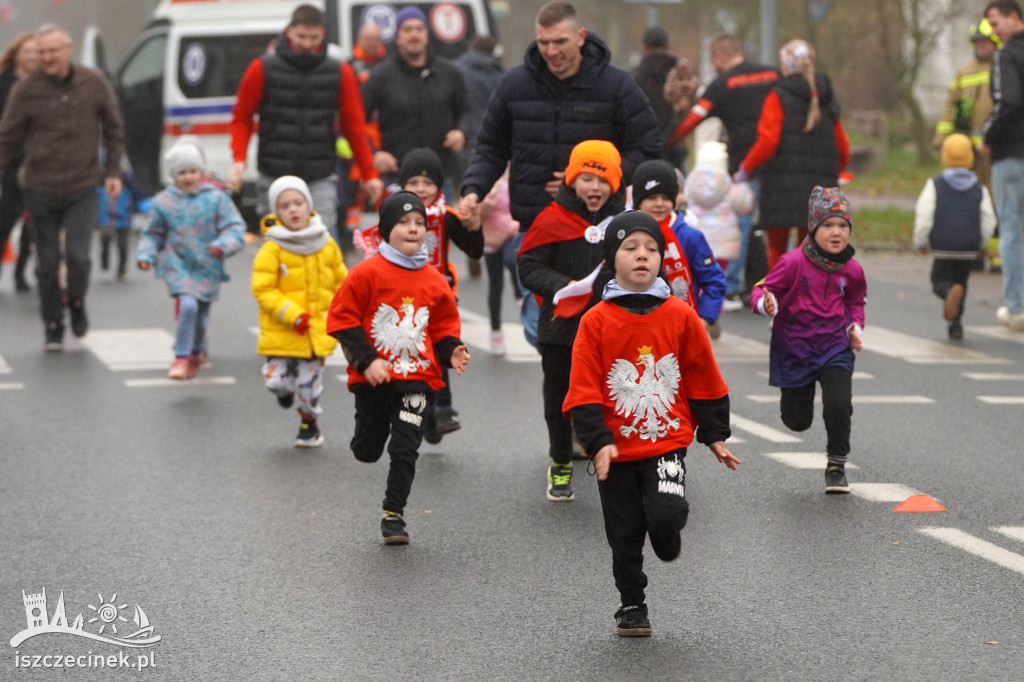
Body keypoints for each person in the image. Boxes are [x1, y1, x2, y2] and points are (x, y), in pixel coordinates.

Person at [563, 210, 739, 637]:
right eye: (630, 248)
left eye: (652, 248)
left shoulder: (680, 315)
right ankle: (632, 604)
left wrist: (714, 433)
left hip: (666, 442)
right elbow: (583, 388)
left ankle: (666, 531)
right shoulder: (595, 321)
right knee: (623, 533)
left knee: (666, 514)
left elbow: (702, 373)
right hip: (616, 450)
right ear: (612, 258)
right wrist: (597, 440)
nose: (642, 255)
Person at [327, 191, 470, 545]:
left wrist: (451, 350)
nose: (413, 229)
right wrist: (367, 360)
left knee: (405, 448)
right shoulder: (366, 274)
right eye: (404, 223)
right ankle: (367, 438)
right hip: (374, 376)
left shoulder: (435, 279)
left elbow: (443, 326)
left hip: (417, 379)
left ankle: (394, 516)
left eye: (419, 223)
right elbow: (341, 319)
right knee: (367, 450)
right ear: (386, 230)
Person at [0, 23, 124, 350]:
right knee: (48, 262)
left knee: (78, 257)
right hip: (40, 185)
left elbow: (113, 127)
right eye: (41, 52)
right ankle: (53, 322)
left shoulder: (93, 82)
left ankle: (77, 302)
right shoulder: (26, 89)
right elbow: (7, 136)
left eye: (52, 51)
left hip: (82, 185)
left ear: (68, 49)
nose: (46, 57)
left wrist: (113, 171)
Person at [517, 140, 626, 502]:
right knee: (559, 401)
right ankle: (560, 462)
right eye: (585, 178)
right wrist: (560, 286)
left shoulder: (623, 224)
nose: (594, 188)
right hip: (560, 329)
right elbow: (529, 266)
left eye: (602, 180)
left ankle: (614, 459)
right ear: (570, 180)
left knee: (612, 398)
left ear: (615, 184)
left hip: (610, 329)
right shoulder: (552, 218)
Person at [353, 147, 482, 442]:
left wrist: (474, 226)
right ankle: (417, 406)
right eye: (414, 183)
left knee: (441, 346)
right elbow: (377, 245)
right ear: (403, 185)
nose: (421, 190)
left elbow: (473, 249)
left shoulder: (446, 216)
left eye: (428, 184)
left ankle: (442, 408)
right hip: (400, 296)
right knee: (411, 351)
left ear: (439, 186)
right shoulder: (395, 214)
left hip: (440, 292)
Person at [228, 4, 383, 240]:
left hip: (319, 174)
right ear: (289, 31)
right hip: (274, 173)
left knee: (321, 242)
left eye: (314, 37)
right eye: (301, 36)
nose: (307, 44)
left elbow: (354, 128)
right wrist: (239, 159)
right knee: (277, 248)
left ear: (323, 35)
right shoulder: (262, 68)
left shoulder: (340, 72)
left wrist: (369, 174)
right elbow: (242, 117)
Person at [749, 187, 866, 494]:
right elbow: (761, 289)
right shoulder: (793, 262)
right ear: (813, 228)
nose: (836, 232)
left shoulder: (852, 269)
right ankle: (795, 406)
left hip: (834, 348)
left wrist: (856, 327)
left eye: (843, 226)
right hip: (795, 349)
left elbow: (857, 302)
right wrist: (765, 303)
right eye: (828, 225)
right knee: (797, 421)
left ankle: (837, 465)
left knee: (839, 404)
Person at [666, 33, 779, 308]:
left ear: (719, 57)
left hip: (743, 164)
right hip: (779, 162)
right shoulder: (773, 74)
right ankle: (780, 286)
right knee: (778, 226)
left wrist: (667, 142)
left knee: (740, 222)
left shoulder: (723, 84)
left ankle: (731, 285)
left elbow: (693, 118)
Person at [735, 39, 851, 268]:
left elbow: (768, 141)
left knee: (777, 247)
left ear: (786, 64)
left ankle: (778, 295)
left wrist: (745, 168)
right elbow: (843, 147)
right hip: (820, 187)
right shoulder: (826, 98)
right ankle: (809, 295)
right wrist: (832, 173)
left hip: (781, 184)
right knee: (812, 246)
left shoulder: (778, 95)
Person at [137, 139, 246, 380]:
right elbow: (153, 233)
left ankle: (196, 351)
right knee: (187, 306)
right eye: (182, 172)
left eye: (193, 171)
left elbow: (235, 227)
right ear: (174, 175)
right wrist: (146, 255)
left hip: (208, 264)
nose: (188, 177)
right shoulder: (164, 201)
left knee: (201, 318)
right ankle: (180, 357)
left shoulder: (216, 198)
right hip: (177, 264)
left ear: (202, 171)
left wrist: (222, 246)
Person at [252, 176, 347, 448]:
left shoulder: (325, 242)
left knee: (309, 384)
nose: (293, 210)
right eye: (285, 206)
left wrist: (345, 312)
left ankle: (308, 424)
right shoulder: (273, 247)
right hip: (283, 329)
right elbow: (263, 288)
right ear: (276, 212)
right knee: (277, 382)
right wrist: (292, 314)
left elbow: (342, 281)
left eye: (298, 203)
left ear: (309, 205)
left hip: (316, 330)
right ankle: (285, 392)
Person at [363, 7, 469, 195]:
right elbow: (356, 121)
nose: (414, 34)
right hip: (397, 175)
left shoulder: (449, 72)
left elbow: (467, 112)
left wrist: (461, 132)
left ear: (427, 34)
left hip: (440, 176)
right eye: (407, 29)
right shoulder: (381, 75)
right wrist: (375, 153)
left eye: (419, 29)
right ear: (398, 36)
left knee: (439, 225)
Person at [630, 159, 727, 337]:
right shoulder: (626, 235)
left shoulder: (691, 237)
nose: (659, 204)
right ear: (638, 202)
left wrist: (705, 318)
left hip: (683, 327)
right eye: (651, 198)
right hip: (635, 325)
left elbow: (714, 281)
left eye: (666, 198)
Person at [913, 134, 997, 339]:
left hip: (943, 246)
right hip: (968, 247)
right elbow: (988, 219)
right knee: (962, 282)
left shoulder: (935, 185)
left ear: (945, 156)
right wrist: (981, 243)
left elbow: (924, 216)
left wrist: (921, 241)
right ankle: (956, 325)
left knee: (939, 280)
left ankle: (948, 291)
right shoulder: (979, 188)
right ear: (970, 157)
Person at [981, 0, 1024, 331]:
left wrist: (987, 135)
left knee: (1010, 230)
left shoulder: (1006, 55)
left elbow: (1007, 101)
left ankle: (1016, 307)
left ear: (1014, 18)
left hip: (1012, 153)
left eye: (996, 24)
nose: (993, 33)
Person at [683, 141, 754, 281]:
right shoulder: (730, 187)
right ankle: (715, 300)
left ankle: (699, 299)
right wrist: (744, 186)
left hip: (697, 242)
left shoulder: (691, 185)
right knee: (717, 279)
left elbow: (683, 202)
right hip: (723, 245)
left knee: (698, 277)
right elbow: (744, 206)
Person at [341, 22, 387, 233]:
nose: (370, 43)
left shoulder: (389, 64)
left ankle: (386, 226)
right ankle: (352, 231)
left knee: (382, 183)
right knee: (353, 183)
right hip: (357, 132)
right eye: (367, 38)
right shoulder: (349, 66)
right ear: (359, 39)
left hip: (385, 133)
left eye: (374, 39)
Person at [0, 32, 36, 292]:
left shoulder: (43, 82)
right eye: (27, 52)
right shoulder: (4, 82)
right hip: (10, 160)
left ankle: (22, 272)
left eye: (36, 52)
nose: (32, 57)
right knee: (7, 216)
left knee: (35, 219)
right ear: (16, 54)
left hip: (38, 161)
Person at [479, 169, 521, 355]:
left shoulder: (512, 176)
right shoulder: (483, 180)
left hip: (511, 230)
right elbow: (474, 212)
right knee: (495, 286)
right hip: (491, 238)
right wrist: (485, 205)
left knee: (512, 260)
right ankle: (496, 332)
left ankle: (520, 295)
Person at [631, 26, 683, 167]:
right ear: (667, 46)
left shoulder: (633, 78)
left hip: (644, 150)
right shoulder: (682, 76)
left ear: (644, 48)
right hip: (675, 149)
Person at [97, 169, 150, 281]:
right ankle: (104, 258)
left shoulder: (128, 180)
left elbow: (139, 196)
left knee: (122, 244)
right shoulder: (98, 178)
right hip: (105, 217)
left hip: (124, 218)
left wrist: (147, 210)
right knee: (105, 235)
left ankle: (122, 270)